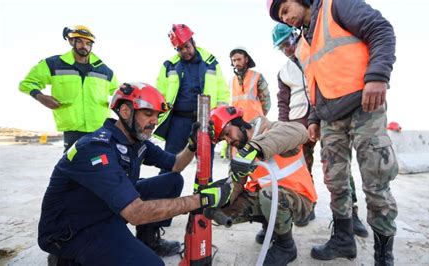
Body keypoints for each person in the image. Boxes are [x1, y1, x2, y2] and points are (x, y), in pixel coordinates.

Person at [37, 83, 233, 265]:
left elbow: (175, 165)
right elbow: (135, 213)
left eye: (156, 115)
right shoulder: (96, 149)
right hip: (76, 229)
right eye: (148, 114)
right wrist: (200, 200)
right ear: (125, 111)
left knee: (172, 180)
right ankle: (65, 258)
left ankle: (148, 241)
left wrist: (192, 145)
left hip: (107, 209)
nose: (154, 121)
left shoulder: (135, 141)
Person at [268, 0, 399, 264]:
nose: (286, 18)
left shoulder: (335, 5)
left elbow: (381, 29)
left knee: (375, 182)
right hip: (330, 118)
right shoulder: (304, 44)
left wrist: (377, 76)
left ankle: (383, 255)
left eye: (285, 10)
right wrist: (314, 118)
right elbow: (314, 84)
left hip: (364, 105)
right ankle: (343, 240)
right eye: (281, 17)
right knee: (335, 181)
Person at [272, 23, 368, 236]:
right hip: (298, 125)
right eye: (281, 47)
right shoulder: (283, 72)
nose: (286, 49)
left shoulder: (314, 53)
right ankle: (308, 207)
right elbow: (283, 102)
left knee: (337, 165)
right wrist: (283, 127)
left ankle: (352, 214)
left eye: (287, 43)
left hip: (325, 118)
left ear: (295, 36)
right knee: (302, 168)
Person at [210, 105, 318, 266]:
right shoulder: (238, 150)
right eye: (223, 139)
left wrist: (255, 148)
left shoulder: (273, 129)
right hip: (269, 200)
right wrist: (220, 197)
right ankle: (271, 226)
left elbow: (301, 131)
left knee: (269, 194)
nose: (228, 140)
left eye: (227, 133)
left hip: (300, 199)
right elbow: (236, 184)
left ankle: (286, 246)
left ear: (239, 123)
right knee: (220, 206)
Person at [19, 25, 118, 152]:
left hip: (99, 127)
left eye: (88, 43)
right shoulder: (53, 64)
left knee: (101, 164)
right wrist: (40, 96)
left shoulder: (105, 70)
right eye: (80, 41)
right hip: (72, 128)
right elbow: (26, 83)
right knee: (73, 165)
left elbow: (118, 92)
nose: (84, 46)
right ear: (71, 41)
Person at [154, 24, 230, 173]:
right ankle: (164, 192)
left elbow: (222, 92)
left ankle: (202, 194)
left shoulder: (211, 62)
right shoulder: (169, 65)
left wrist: (218, 118)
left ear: (193, 42)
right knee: (170, 162)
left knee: (205, 166)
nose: (184, 51)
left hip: (204, 120)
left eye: (186, 46)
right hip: (177, 121)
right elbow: (159, 93)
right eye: (180, 49)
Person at [229, 46, 271, 120]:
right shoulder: (231, 81)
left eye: (239, 59)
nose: (236, 63)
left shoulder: (257, 77)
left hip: (255, 123)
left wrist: (260, 118)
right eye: (234, 60)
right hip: (237, 124)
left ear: (246, 59)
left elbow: (266, 102)